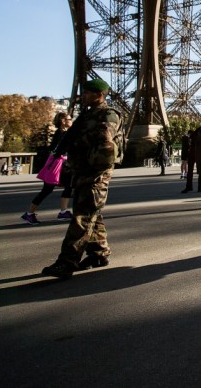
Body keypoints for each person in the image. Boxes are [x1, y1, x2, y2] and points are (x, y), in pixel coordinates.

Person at [41, 79, 123, 279]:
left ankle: (67, 261)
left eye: (87, 92)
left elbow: (105, 145)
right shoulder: (87, 115)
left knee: (82, 217)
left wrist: (84, 156)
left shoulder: (108, 115)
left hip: (96, 173)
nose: (83, 95)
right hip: (84, 171)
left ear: (99, 94)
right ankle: (99, 253)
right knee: (91, 213)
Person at [21, 112, 74, 224]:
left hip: (58, 163)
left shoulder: (62, 132)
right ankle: (30, 213)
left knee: (67, 186)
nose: (71, 120)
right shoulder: (61, 133)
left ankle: (63, 212)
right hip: (58, 163)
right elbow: (59, 149)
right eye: (70, 119)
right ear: (63, 121)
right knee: (48, 189)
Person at [181, 127, 199, 194]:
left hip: (191, 155)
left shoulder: (190, 138)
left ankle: (189, 187)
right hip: (198, 154)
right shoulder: (200, 133)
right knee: (200, 172)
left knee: (190, 172)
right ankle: (200, 187)